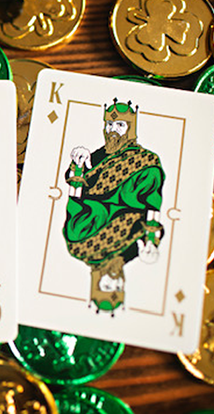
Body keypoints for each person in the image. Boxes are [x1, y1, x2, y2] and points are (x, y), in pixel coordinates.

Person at [63, 99, 165, 314]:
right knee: (77, 229)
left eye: (120, 125)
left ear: (131, 128)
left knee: (151, 169)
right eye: (109, 124)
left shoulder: (145, 159)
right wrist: (79, 165)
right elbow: (77, 191)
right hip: (95, 213)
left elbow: (152, 202)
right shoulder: (131, 251)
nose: (113, 130)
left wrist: (151, 239)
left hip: (129, 214)